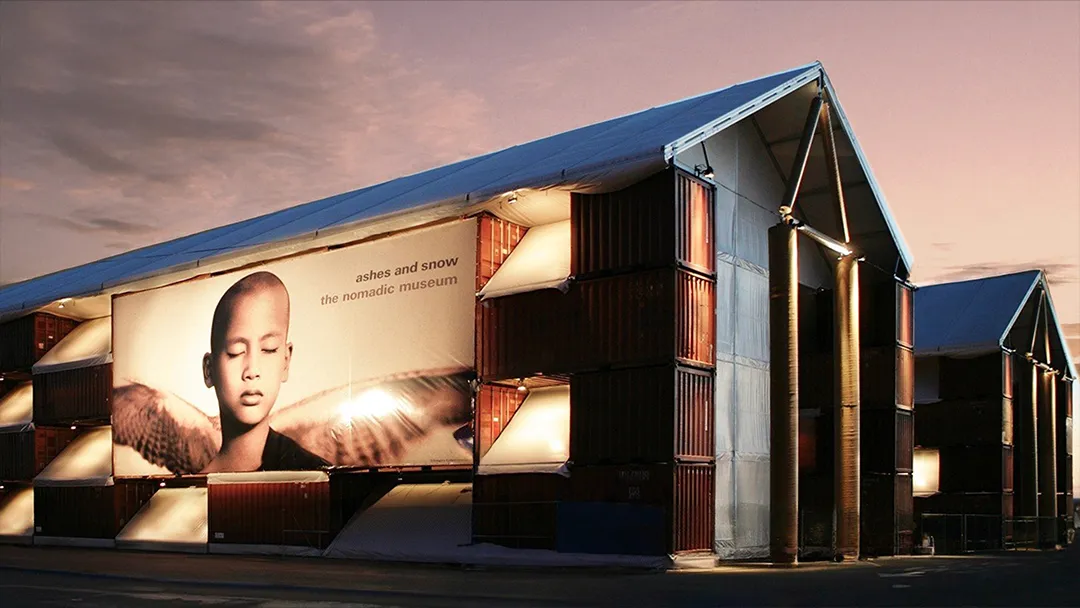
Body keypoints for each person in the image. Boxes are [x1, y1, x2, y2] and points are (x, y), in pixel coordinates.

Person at [199, 271, 328, 473]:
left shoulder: (315, 478)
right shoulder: (187, 490)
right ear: (209, 370)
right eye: (236, 352)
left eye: (268, 349)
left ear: (286, 361)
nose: (252, 371)